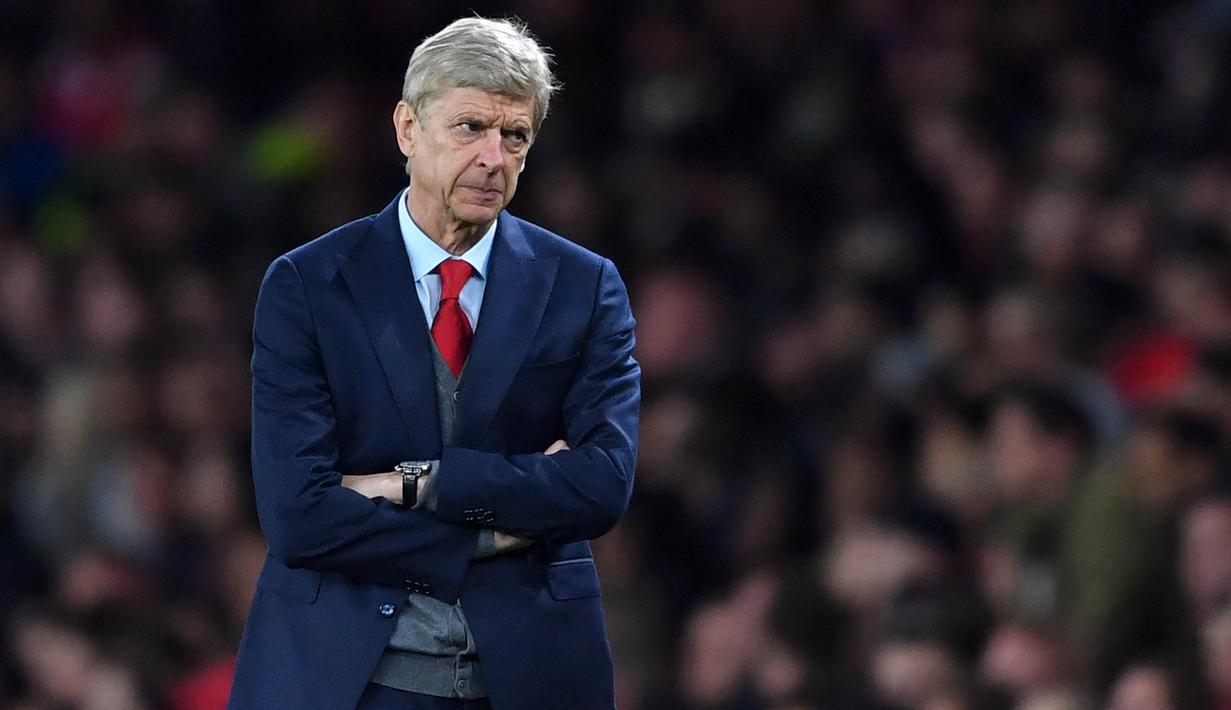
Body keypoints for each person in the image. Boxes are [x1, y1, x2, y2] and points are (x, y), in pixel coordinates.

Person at [227, 16, 640, 710]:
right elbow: (299, 515)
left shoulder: (582, 285)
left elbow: (600, 485)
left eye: (515, 137)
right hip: (344, 678)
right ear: (407, 129)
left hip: (528, 676)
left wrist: (411, 486)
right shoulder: (309, 284)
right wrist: (492, 534)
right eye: (470, 127)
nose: (493, 157)